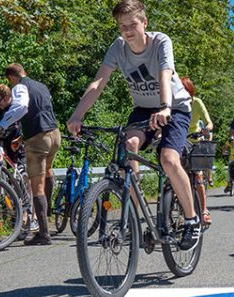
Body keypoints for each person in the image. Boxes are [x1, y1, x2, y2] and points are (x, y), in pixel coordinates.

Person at [66, 0, 200, 251]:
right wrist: (77, 116)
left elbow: (164, 75)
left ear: (144, 23)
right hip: (143, 109)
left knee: (169, 160)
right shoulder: (118, 48)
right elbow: (98, 83)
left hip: (174, 107)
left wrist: (164, 107)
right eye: (122, 26)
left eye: (133, 25)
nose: (127, 31)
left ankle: (192, 221)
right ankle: (137, 219)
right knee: (128, 147)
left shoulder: (161, 41)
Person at [0, 63, 61, 246]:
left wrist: (1, 126)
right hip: (55, 134)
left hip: (38, 139)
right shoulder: (41, 86)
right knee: (48, 171)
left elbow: (21, 107)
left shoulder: (19, 87)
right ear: (24, 72)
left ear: (10, 78)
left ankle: (43, 233)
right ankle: (46, 213)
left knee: (36, 186)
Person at [0, 84, 35, 240]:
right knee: (3, 181)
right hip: (3, 150)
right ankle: (8, 215)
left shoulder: (17, 108)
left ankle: (26, 213)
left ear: (7, 97)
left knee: (19, 180)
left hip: (18, 150)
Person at [182, 77, 214, 225]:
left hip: (194, 141)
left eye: (187, 91)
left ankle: (203, 211)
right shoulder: (174, 102)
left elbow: (209, 122)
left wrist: (207, 128)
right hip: (179, 141)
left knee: (198, 176)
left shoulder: (197, 102)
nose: (184, 94)